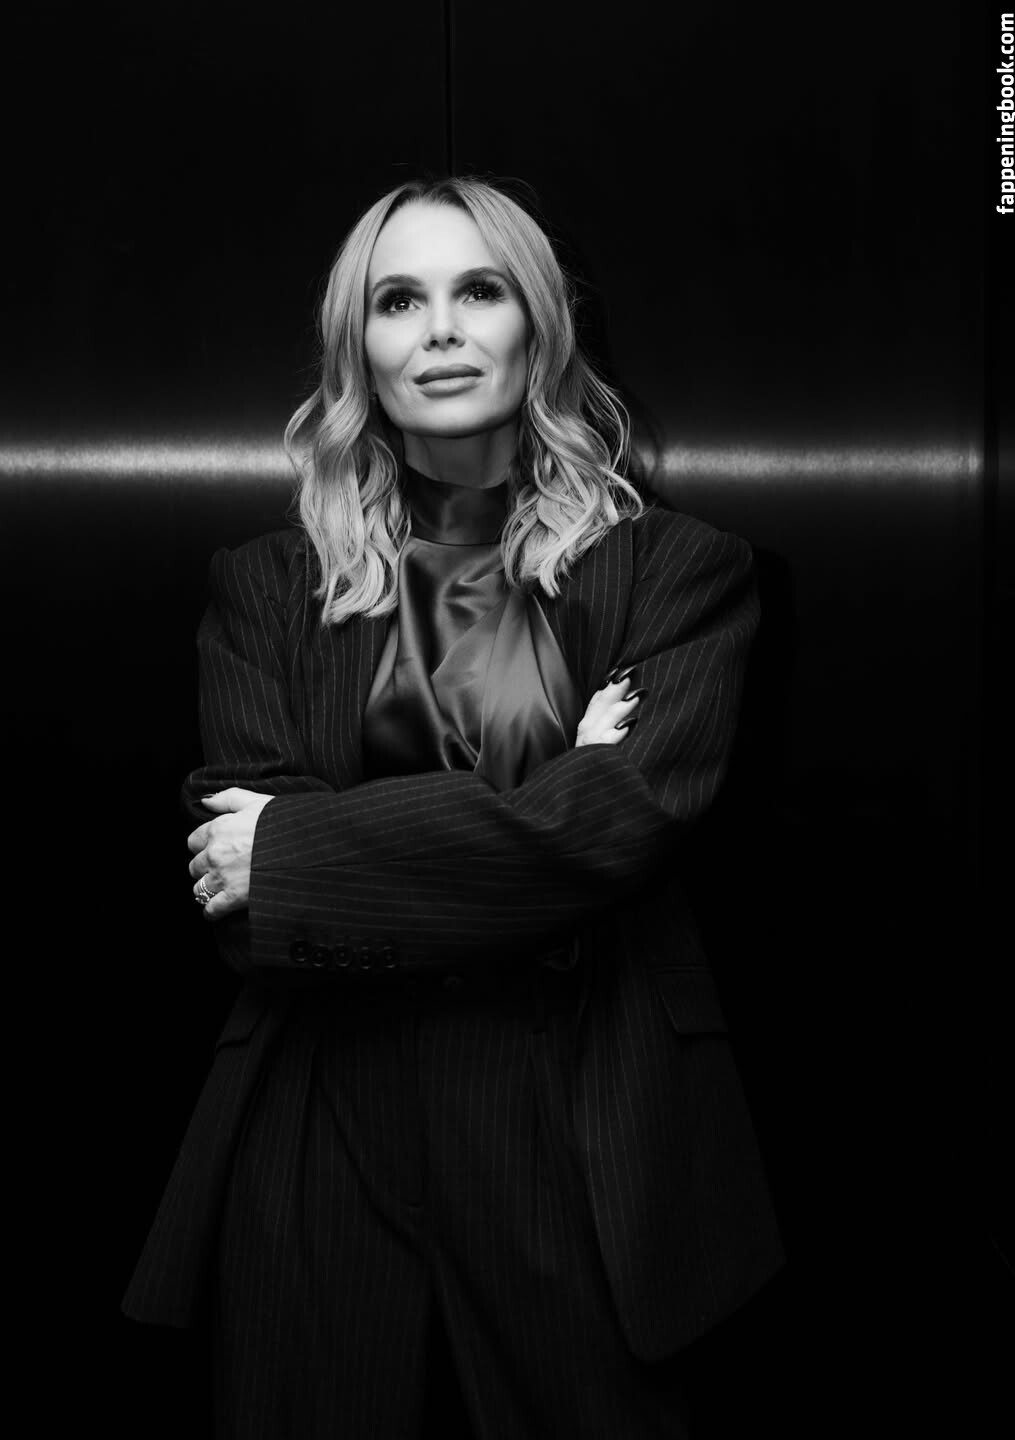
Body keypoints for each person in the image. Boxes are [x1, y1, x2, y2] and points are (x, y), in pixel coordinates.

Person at [123, 175, 784, 1438]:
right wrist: (550, 796)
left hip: (582, 1112)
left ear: (539, 323)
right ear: (357, 349)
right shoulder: (265, 588)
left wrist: (300, 851)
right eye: (397, 301)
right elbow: (238, 897)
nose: (439, 330)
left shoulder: (676, 573)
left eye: (479, 290)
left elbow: (618, 825)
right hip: (323, 1114)